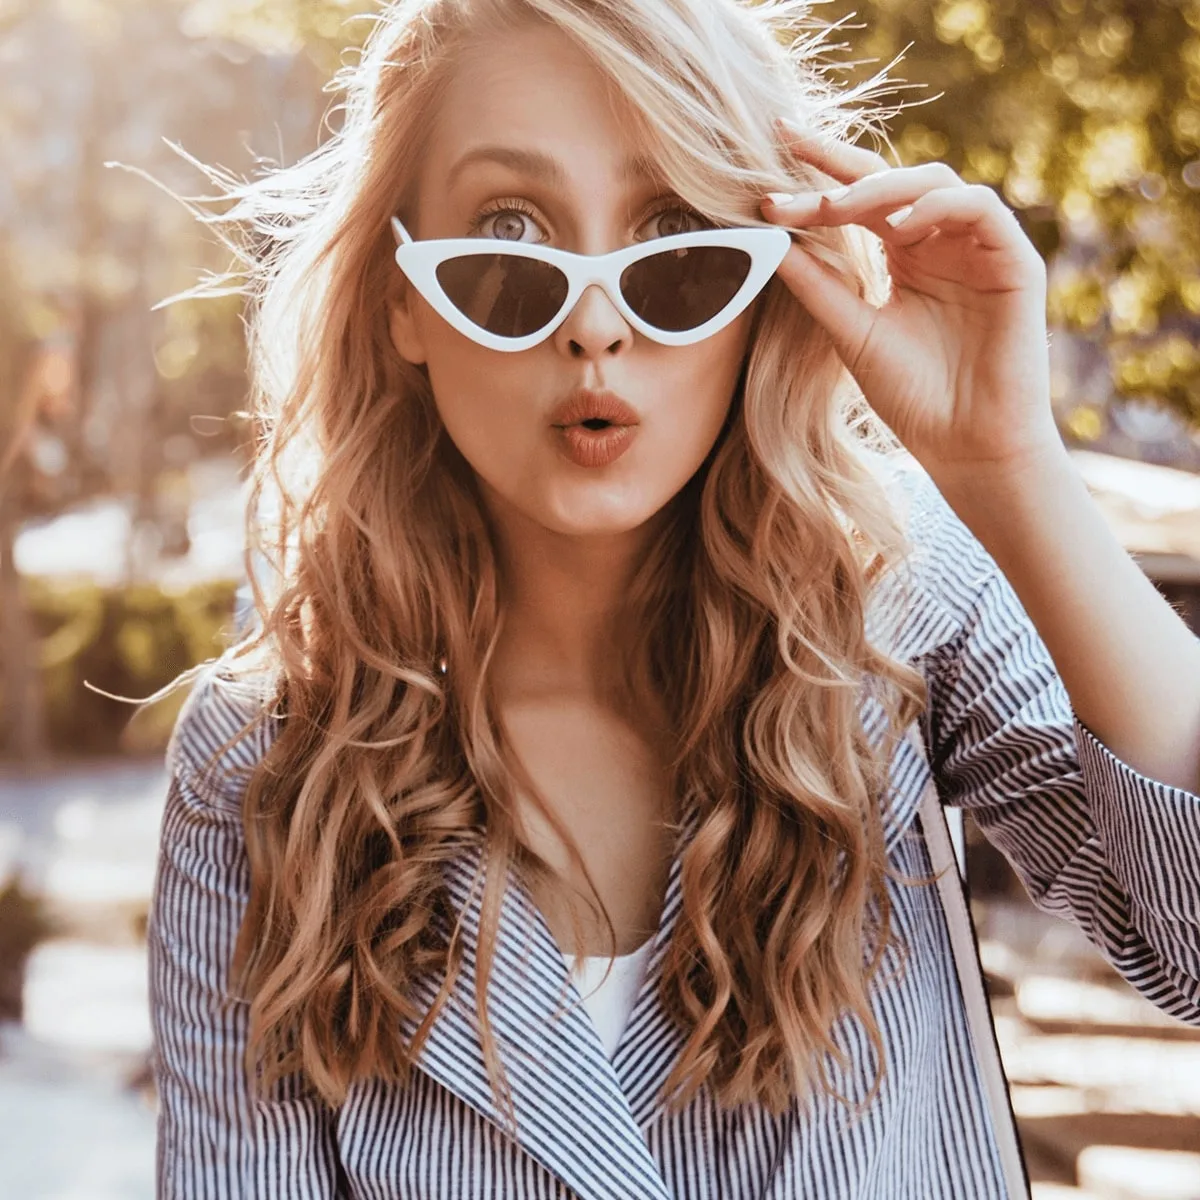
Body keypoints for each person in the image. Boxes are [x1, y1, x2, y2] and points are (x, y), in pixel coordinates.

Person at [147, 0, 1200, 1196]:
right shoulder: (261, 765)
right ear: (404, 304)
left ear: (767, 283)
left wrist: (1010, 468)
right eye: (508, 233)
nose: (596, 322)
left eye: (677, 239)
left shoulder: (902, 611)